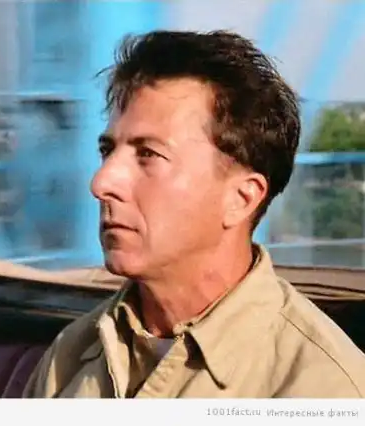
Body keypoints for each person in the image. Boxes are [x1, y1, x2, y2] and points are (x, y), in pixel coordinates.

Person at [22, 30, 365, 398]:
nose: (101, 182)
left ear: (241, 198)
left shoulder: (321, 387)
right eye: (108, 151)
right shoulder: (71, 354)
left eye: (148, 154)